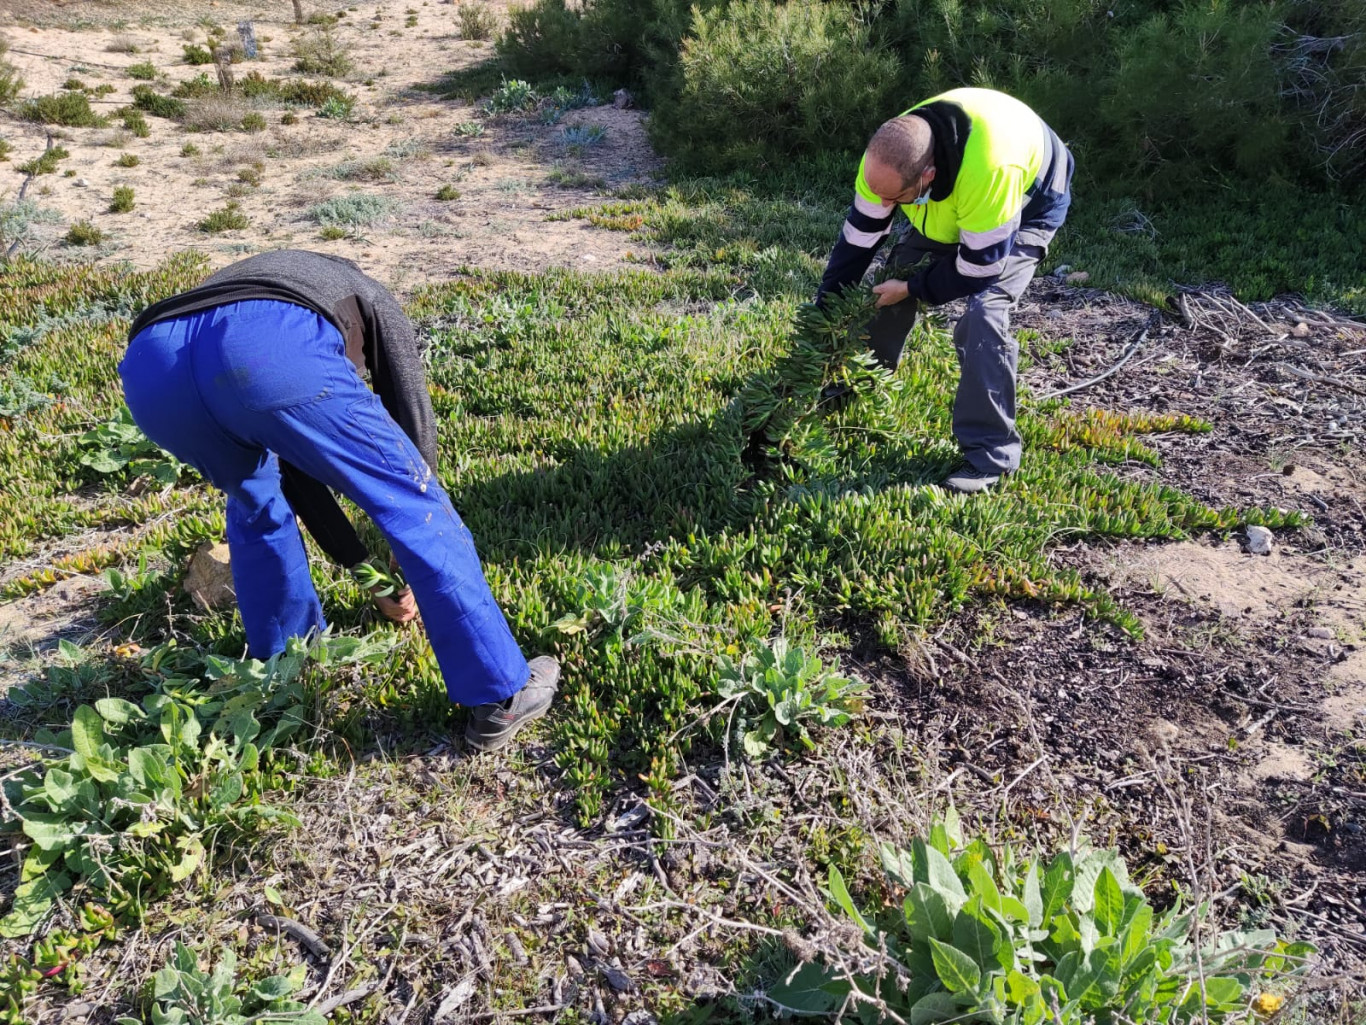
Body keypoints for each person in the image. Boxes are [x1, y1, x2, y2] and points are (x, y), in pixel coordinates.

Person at [119, 250, 558, 752]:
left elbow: (291, 473)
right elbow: (408, 412)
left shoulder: (293, 283)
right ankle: (503, 694)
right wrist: (407, 533)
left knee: (256, 506)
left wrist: (370, 575)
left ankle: (285, 676)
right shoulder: (366, 293)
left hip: (154, 367)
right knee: (413, 500)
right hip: (265, 346)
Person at [815, 87, 1074, 494]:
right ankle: (856, 388)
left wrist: (915, 288)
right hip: (957, 195)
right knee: (889, 283)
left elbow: (978, 269)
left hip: (1029, 202)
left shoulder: (990, 172)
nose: (883, 204)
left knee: (982, 316)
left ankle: (992, 456)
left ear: (927, 176)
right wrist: (824, 308)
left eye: (894, 198)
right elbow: (856, 244)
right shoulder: (885, 162)